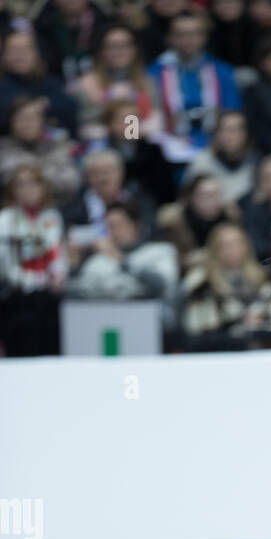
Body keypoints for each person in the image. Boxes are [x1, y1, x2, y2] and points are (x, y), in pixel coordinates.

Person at [63, 196, 178, 325]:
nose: (114, 233)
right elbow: (73, 296)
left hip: (149, 323)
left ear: (136, 226)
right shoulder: (98, 261)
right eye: (109, 227)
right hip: (106, 324)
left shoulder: (160, 251)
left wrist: (121, 260)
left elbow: (160, 286)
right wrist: (75, 267)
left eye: (118, 225)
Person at [179, 219, 271, 349]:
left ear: (246, 246)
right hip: (219, 350)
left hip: (262, 348)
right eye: (225, 245)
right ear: (214, 249)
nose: (232, 249)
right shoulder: (201, 282)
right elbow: (197, 327)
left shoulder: (263, 279)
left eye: (237, 243)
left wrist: (261, 322)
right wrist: (240, 323)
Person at [148, 11, 241, 154]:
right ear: (170, 38)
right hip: (166, 149)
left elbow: (232, 112)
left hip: (216, 147)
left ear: (205, 37)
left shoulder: (222, 71)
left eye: (195, 33)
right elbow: (149, 116)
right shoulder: (154, 73)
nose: (189, 39)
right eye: (181, 34)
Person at [0, 161, 67, 355]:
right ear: (12, 190)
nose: (27, 190)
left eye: (32, 183)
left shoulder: (52, 217)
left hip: (47, 295)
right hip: (16, 295)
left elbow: (56, 252)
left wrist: (58, 276)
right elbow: (5, 261)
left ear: (42, 187)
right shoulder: (5, 219)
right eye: (21, 184)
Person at [71, 23, 161, 141]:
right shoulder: (85, 85)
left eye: (125, 45)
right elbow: (81, 126)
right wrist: (115, 130)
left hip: (142, 143)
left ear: (135, 49)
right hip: (101, 147)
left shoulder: (147, 81)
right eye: (112, 46)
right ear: (100, 50)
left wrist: (134, 131)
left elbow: (157, 117)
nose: (119, 51)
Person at [0, 94, 80, 202]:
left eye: (31, 118)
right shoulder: (4, 147)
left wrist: (33, 176)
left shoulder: (56, 146)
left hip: (58, 208)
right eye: (21, 118)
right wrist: (47, 172)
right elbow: (10, 179)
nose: (27, 124)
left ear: (41, 122)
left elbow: (71, 182)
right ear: (12, 123)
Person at [156, 171, 242, 272]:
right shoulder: (174, 223)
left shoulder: (230, 217)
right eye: (206, 195)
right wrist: (189, 261)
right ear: (191, 197)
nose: (212, 200)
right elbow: (167, 261)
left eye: (216, 194)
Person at [0, 27, 78, 135]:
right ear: (4, 56)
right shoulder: (2, 88)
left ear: (36, 54)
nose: (19, 56)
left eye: (25, 50)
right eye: (13, 50)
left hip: (53, 145)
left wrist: (43, 103)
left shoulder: (52, 83)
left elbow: (71, 108)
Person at [181, 109, 258, 204]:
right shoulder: (201, 162)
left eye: (236, 130)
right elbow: (186, 200)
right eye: (225, 130)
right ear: (216, 134)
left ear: (246, 134)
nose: (231, 136)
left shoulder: (257, 163)